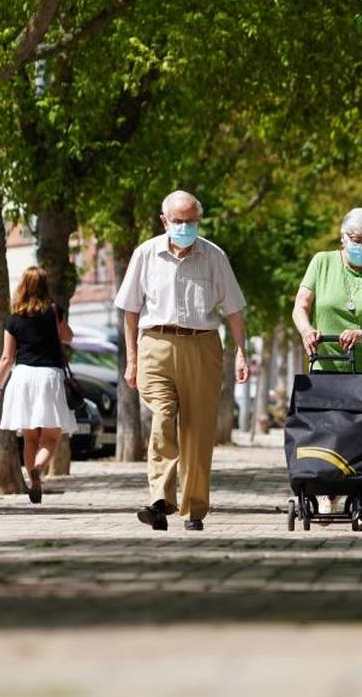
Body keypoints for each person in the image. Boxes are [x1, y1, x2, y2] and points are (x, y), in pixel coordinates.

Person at [115, 190, 251, 531]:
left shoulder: (214, 257)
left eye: (191, 221)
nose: (185, 227)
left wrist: (241, 353)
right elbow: (131, 311)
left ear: (198, 221)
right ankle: (160, 501)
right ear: (165, 221)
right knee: (163, 417)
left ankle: (193, 509)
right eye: (179, 221)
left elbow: (233, 309)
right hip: (155, 344)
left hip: (202, 346)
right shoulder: (145, 254)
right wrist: (131, 359)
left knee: (197, 430)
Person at [291, 207, 362, 511]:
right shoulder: (322, 262)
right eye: (358, 240)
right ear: (343, 237)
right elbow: (301, 305)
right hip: (327, 364)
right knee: (327, 432)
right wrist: (306, 329)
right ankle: (326, 493)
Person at [0, 266, 76, 504]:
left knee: (30, 439)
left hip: (22, 378)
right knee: (51, 438)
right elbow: (68, 337)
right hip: (49, 379)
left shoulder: (13, 320)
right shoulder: (54, 311)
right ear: (45, 287)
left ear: (22, 287)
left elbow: (6, 358)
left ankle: (32, 478)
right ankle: (38, 469)